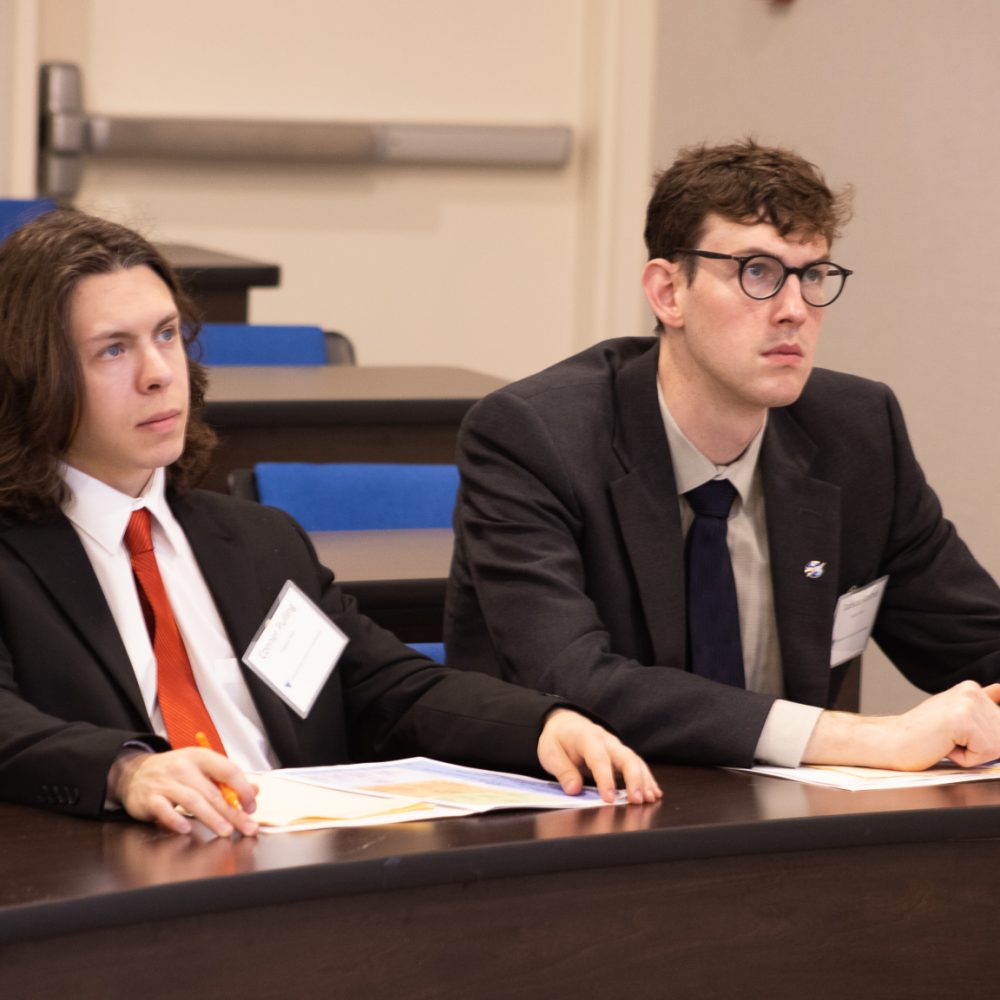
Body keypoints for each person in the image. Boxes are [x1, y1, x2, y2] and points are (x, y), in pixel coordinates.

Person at [0, 209, 661, 838]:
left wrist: (541, 726)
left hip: (295, 864)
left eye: (167, 334)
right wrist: (126, 770)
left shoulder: (258, 542)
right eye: (114, 350)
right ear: (35, 376)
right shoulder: (14, 556)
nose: (158, 373)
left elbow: (385, 688)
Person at [446, 138, 1000, 772]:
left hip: (786, 816)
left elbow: (975, 642)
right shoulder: (535, 436)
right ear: (668, 292)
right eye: (757, 273)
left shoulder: (858, 431)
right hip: (578, 809)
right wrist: (864, 737)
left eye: (813, 275)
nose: (794, 310)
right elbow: (572, 680)